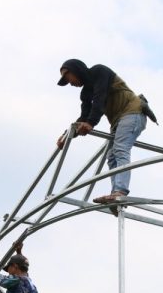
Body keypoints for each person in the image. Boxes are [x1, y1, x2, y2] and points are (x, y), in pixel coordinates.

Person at [56, 58, 154, 205]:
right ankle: (115, 198)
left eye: (68, 77)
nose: (70, 83)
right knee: (112, 157)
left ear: (76, 70)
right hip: (119, 120)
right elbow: (83, 117)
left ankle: (120, 192)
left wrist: (90, 123)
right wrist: (67, 135)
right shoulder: (85, 93)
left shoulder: (99, 72)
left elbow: (99, 98)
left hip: (133, 112)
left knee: (120, 149)